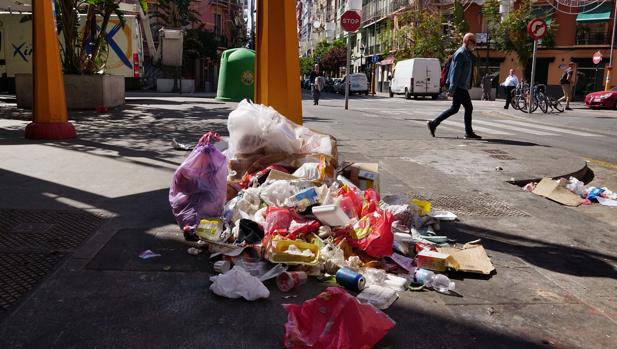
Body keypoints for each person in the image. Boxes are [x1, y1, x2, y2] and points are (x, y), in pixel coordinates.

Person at [427, 33, 481, 139]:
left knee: (459, 108)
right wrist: (452, 88)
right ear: (467, 41)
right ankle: (468, 132)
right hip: (458, 86)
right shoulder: (461, 53)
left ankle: (434, 123)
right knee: (463, 108)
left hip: (461, 86)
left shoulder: (466, 53)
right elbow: (455, 72)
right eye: (473, 42)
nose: (475, 45)